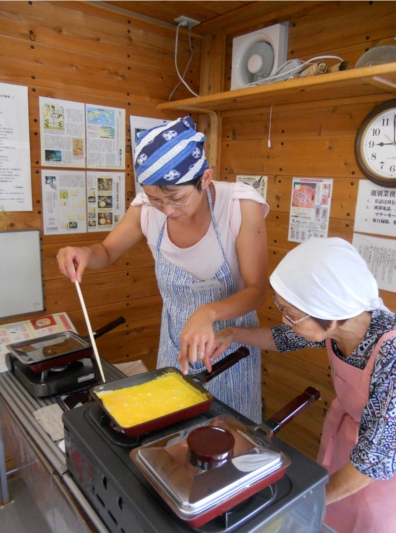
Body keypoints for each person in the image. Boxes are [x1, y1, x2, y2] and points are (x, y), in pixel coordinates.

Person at [57, 116, 269, 423]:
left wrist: (208, 313)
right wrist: (84, 253)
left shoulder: (239, 206)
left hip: (230, 348)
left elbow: (256, 291)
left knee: (231, 438)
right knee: (174, 433)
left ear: (205, 178)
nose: (168, 211)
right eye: (156, 200)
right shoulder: (145, 208)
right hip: (174, 345)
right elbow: (105, 252)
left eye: (176, 199)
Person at [210, 237, 396, 533]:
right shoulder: (340, 324)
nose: (286, 321)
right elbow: (282, 338)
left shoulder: (391, 356)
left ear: (332, 316)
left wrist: (299, 501)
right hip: (345, 437)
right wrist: (232, 334)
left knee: (363, 521)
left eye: (291, 314)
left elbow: (371, 464)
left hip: (380, 472)